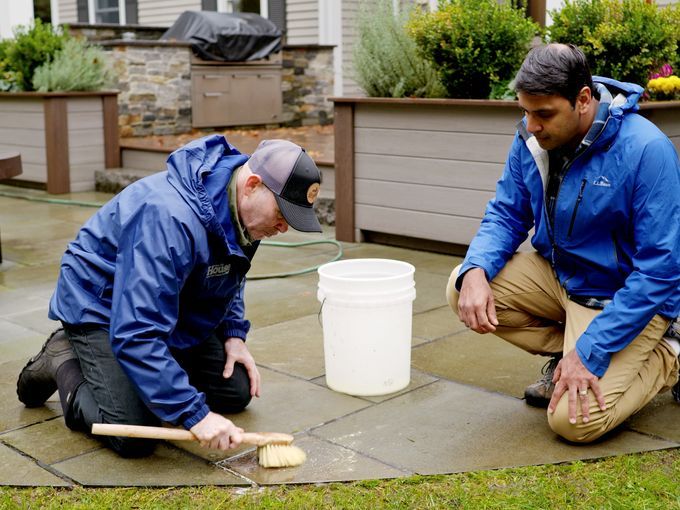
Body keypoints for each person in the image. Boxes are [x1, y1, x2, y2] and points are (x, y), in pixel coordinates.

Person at [16, 135, 323, 457]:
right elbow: (136, 330)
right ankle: (63, 358)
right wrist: (195, 415)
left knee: (235, 391)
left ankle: (147, 376)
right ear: (253, 185)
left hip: (167, 299)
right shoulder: (169, 217)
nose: (284, 227)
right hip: (101, 306)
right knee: (136, 434)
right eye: (282, 213)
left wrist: (233, 334)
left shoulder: (244, 209)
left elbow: (231, 270)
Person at [446, 43, 680, 443]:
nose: (531, 125)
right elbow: (507, 212)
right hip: (563, 277)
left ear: (583, 99)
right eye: (525, 111)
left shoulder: (646, 150)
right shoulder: (532, 138)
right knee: (462, 287)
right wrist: (477, 269)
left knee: (573, 423)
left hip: (622, 295)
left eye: (544, 114)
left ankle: (671, 352)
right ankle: (569, 355)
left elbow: (659, 269)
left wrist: (592, 350)